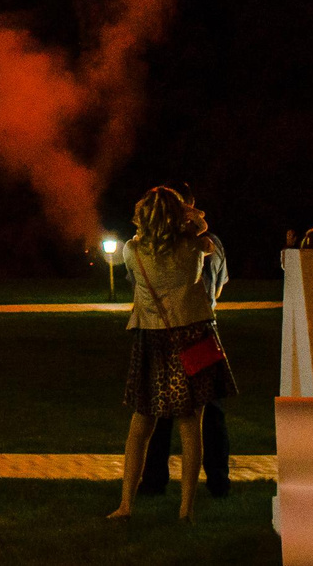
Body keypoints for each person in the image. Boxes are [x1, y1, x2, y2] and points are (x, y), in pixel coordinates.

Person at [107, 185, 236, 523]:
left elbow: (141, 241)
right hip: (193, 336)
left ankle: (125, 505)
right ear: (177, 216)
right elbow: (204, 233)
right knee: (191, 426)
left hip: (152, 339)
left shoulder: (132, 252)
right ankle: (186, 509)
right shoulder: (194, 246)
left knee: (140, 427)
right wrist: (190, 216)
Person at [140, 184, 231, 499]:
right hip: (204, 331)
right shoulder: (210, 244)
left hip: (169, 335)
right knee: (210, 411)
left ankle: (154, 481)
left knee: (162, 411)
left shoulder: (159, 246)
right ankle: (219, 481)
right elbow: (217, 289)